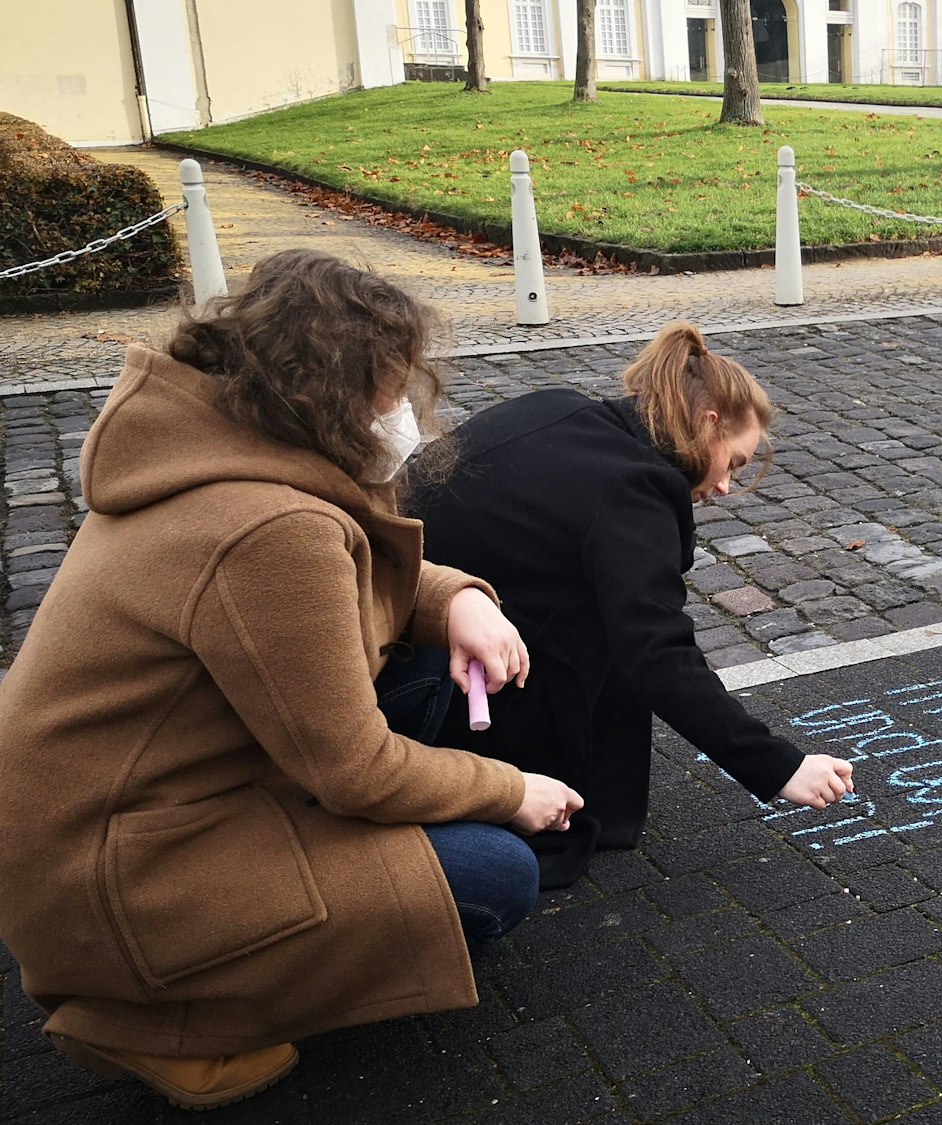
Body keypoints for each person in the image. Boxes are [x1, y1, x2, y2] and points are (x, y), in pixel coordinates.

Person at [0, 250, 583, 1111]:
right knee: (497, 872)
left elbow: (337, 585)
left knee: (425, 668)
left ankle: (204, 961)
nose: (403, 410)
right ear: (333, 395)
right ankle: (149, 1017)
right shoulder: (268, 527)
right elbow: (356, 769)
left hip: (91, 829)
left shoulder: (207, 450)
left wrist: (458, 597)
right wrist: (509, 789)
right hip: (127, 876)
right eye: (390, 388)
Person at [408, 321, 852, 883]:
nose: (725, 489)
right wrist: (779, 766)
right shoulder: (632, 489)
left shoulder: (564, 407)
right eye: (734, 463)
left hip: (412, 601)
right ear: (707, 421)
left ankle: (595, 799)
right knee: (616, 634)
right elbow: (659, 653)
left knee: (609, 613)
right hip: (427, 664)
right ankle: (548, 811)